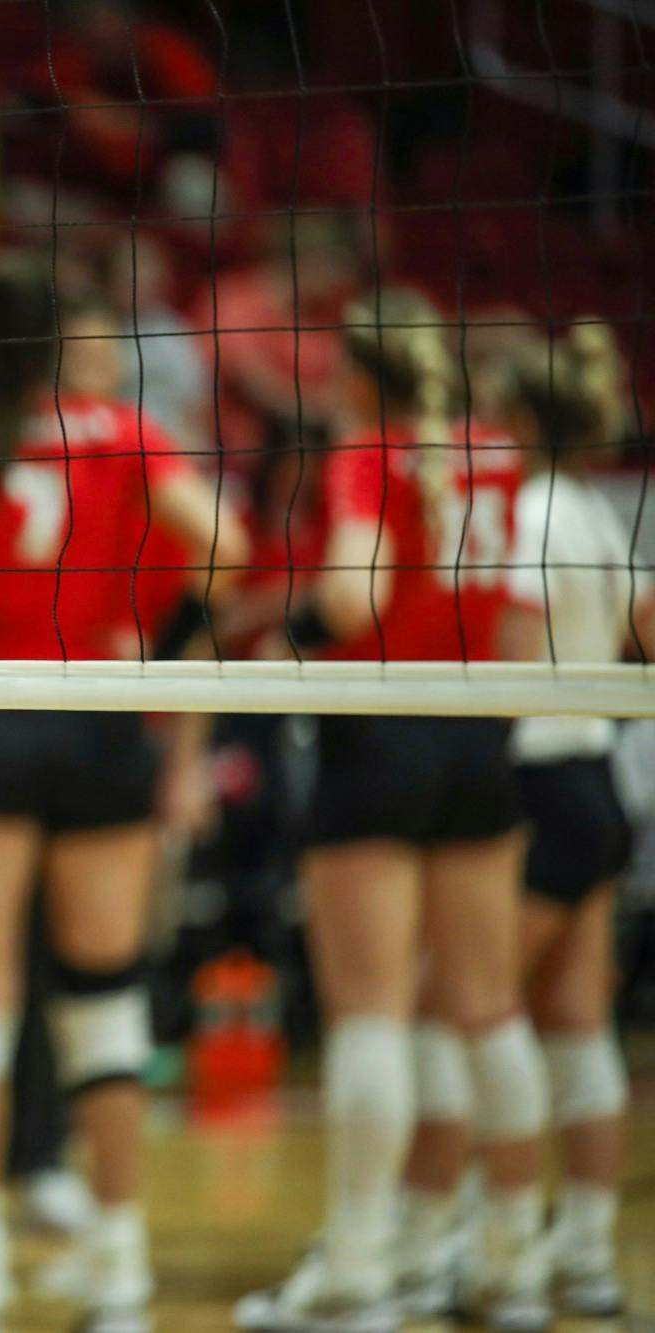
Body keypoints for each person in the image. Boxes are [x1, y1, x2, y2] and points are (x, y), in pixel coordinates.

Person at [0, 249, 243, 1333]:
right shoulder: (122, 431)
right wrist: (154, 663)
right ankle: (116, 1269)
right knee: (105, 1006)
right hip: (100, 723)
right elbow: (226, 550)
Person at [236, 289, 547, 1333]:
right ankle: (507, 1258)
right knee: (485, 1007)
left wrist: (286, 631)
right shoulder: (494, 450)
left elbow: (352, 594)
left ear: (359, 376)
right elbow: (513, 610)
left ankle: (358, 1268)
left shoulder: (364, 451)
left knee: (369, 1010)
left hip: (378, 729)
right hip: (475, 728)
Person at [494, 322, 649, 1318]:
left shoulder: (527, 510)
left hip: (535, 781)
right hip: (599, 782)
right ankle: (585, 1253)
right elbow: (643, 626)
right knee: (573, 1025)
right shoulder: (595, 509)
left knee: (473, 1013)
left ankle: (494, 1252)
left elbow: (507, 655)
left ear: (511, 419)